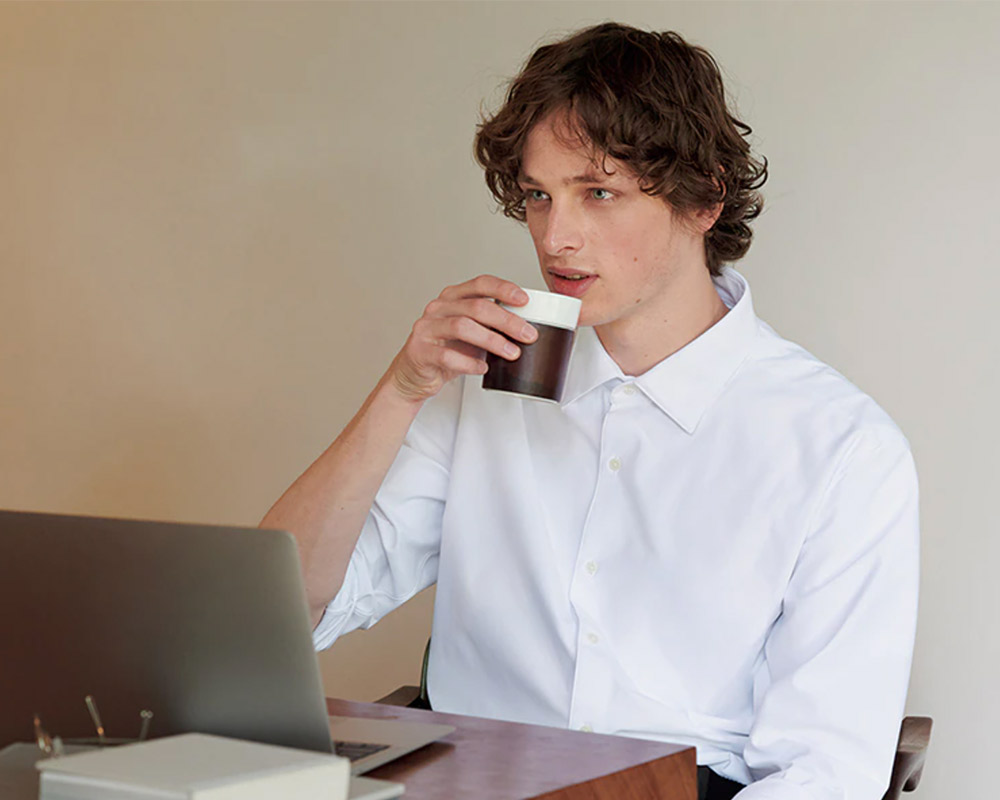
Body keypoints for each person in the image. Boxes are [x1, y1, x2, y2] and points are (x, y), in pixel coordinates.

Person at [261, 22, 919, 800]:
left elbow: (824, 774)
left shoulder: (839, 446)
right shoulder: (487, 384)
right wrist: (403, 389)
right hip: (469, 780)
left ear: (704, 197)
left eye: (597, 193)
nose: (555, 237)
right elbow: (281, 618)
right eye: (538, 196)